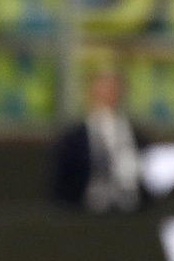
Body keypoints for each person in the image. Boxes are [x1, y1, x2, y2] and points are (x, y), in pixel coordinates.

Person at [49, 70, 148, 214]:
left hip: (130, 214)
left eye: (112, 90)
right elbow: (60, 186)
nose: (108, 94)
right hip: (86, 215)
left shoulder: (136, 135)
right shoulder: (73, 139)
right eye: (103, 89)